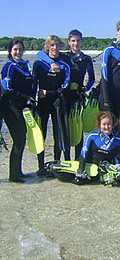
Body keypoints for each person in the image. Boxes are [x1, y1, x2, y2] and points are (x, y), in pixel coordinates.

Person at [37, 29, 95, 159]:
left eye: (78, 41)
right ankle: (67, 158)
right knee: (64, 130)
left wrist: (86, 88)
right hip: (63, 97)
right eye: (73, 41)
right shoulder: (64, 56)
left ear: (82, 41)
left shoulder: (86, 59)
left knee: (78, 129)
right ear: (69, 42)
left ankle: (78, 159)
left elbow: (91, 78)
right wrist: (52, 63)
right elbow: (40, 54)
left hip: (77, 98)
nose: (76, 43)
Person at [33, 35, 71, 175]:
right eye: (52, 45)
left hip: (57, 102)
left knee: (58, 135)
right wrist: (35, 96)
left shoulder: (64, 65)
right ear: (48, 47)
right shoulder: (39, 64)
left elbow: (65, 86)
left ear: (60, 47)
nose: (55, 48)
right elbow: (34, 84)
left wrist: (47, 92)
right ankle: (41, 166)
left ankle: (57, 163)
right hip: (42, 103)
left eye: (57, 45)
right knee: (41, 134)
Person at [1, 39, 35, 182]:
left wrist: (31, 100)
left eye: (20, 49)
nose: (18, 52)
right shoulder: (8, 67)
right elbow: (6, 89)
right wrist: (24, 97)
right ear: (10, 51)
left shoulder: (25, 65)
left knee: (21, 140)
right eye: (15, 49)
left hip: (22, 108)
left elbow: (31, 85)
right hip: (10, 108)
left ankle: (18, 172)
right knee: (19, 139)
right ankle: (13, 176)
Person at [74, 111, 120, 184]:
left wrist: (119, 167)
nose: (106, 127)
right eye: (104, 124)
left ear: (113, 125)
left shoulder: (118, 141)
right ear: (99, 125)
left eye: (109, 124)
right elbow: (83, 154)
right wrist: (81, 169)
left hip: (105, 169)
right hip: (91, 167)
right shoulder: (92, 136)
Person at [99, 18, 120, 117]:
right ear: (117, 31)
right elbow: (104, 75)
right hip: (109, 95)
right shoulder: (108, 50)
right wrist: (106, 99)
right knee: (108, 128)